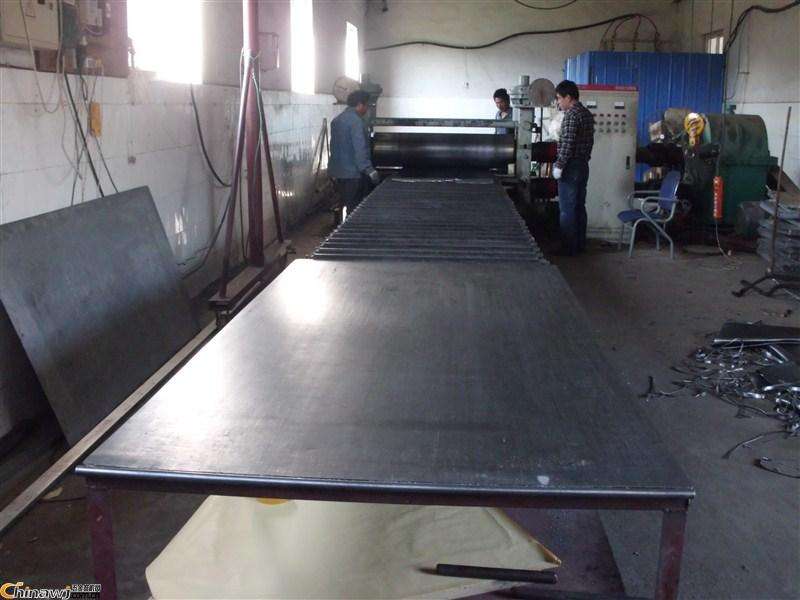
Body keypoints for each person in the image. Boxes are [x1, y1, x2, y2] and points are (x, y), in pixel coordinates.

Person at [552, 80, 594, 255]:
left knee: (567, 209)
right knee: (579, 206)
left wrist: (559, 166)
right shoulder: (586, 113)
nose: (558, 102)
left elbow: (568, 143)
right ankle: (579, 245)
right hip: (583, 165)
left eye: (559, 98)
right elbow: (589, 142)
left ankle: (568, 248)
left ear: (568, 97)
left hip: (570, 167)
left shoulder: (571, 114)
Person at [329, 90, 380, 219]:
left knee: (345, 203)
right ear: (360, 104)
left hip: (338, 172)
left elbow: (334, 146)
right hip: (353, 174)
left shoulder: (336, 120)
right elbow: (360, 149)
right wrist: (369, 170)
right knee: (355, 209)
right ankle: (351, 229)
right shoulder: (357, 122)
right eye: (366, 105)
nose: (367, 109)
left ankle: (341, 226)